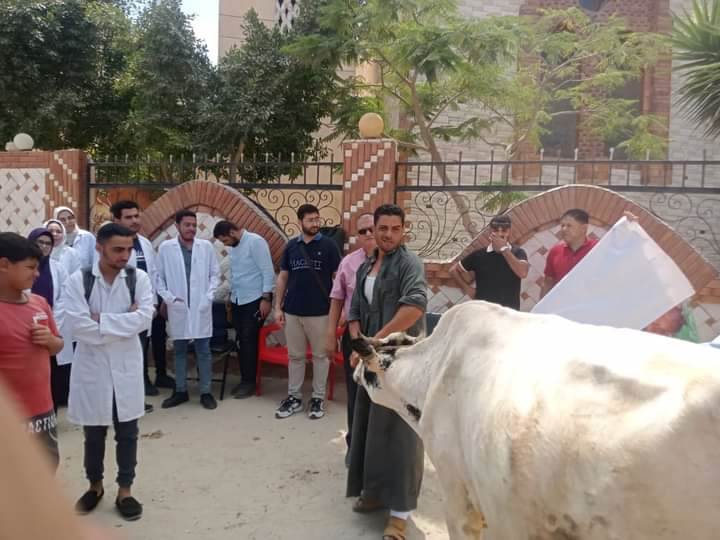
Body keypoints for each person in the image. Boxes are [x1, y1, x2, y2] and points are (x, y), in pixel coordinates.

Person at [346, 204, 427, 540]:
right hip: (371, 361)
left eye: (395, 228)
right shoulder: (366, 266)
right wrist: (358, 343)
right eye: (383, 228)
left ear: (403, 230)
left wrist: (373, 343)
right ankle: (375, 492)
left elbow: (415, 306)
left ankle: (400, 514)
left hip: (401, 361)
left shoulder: (410, 264)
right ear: (374, 230)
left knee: (400, 435)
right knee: (369, 427)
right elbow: (354, 310)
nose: (388, 234)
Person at [63, 223, 154, 521]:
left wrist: (100, 320)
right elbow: (78, 326)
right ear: (99, 247)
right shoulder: (79, 280)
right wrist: (124, 321)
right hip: (93, 368)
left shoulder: (138, 279)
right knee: (93, 433)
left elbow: (144, 318)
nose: (124, 256)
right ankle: (95, 486)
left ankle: (125, 490)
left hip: (126, 368)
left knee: (128, 433)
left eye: (128, 249)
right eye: (117, 249)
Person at [0, 233, 64, 469]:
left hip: (43, 414)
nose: (36, 274)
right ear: (4, 265)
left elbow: (58, 346)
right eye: (30, 267)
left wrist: (50, 340)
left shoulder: (39, 304)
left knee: (46, 471)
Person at [273, 204, 342, 420]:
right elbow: (283, 277)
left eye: (317, 219)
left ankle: (318, 398)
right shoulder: (291, 246)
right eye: (310, 220)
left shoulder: (329, 246)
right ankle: (294, 397)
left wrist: (338, 311)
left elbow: (337, 280)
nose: (315, 223)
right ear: (300, 222)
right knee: (295, 356)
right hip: (292, 312)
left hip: (320, 313)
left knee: (321, 357)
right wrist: (278, 307)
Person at [157, 209, 220, 410]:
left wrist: (208, 296)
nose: (191, 228)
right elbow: (158, 277)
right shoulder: (166, 248)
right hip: (179, 306)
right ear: (177, 226)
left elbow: (215, 274)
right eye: (187, 225)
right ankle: (180, 391)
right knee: (180, 350)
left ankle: (206, 392)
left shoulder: (205, 247)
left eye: (194, 225)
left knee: (203, 350)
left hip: (200, 306)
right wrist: (169, 298)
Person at [110, 200, 175, 397]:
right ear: (116, 220)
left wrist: (156, 301)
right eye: (128, 217)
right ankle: (142, 380)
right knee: (135, 346)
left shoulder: (144, 243)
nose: (134, 220)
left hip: (149, 303)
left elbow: (152, 273)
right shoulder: (112, 246)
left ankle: (160, 375)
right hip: (128, 306)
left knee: (155, 339)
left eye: (137, 216)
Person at [326, 213, 375, 455]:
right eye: (362, 231)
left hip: (383, 337)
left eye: (372, 229)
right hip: (353, 336)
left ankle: (376, 449)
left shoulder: (396, 262)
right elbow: (337, 299)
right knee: (355, 392)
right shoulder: (349, 262)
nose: (368, 234)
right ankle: (354, 446)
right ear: (357, 236)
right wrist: (330, 335)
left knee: (381, 393)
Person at [213, 220, 275, 399]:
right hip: (237, 300)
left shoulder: (256, 242)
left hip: (254, 300)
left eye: (225, 240)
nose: (225, 244)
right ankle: (244, 379)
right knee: (241, 340)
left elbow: (267, 271)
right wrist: (230, 298)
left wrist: (266, 299)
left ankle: (249, 382)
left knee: (249, 340)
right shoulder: (235, 247)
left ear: (232, 232)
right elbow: (237, 274)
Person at [28, 228, 72, 410]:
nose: (44, 247)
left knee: (53, 372)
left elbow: (65, 296)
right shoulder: (22, 267)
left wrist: (51, 320)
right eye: (40, 242)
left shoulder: (58, 268)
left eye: (48, 243)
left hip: (54, 325)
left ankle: (51, 411)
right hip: (27, 326)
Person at [449, 214, 529, 310]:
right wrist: (467, 289)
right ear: (490, 232)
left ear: (509, 231)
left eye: (504, 230)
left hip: (509, 314)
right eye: (496, 230)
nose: (500, 234)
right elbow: (453, 270)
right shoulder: (479, 255)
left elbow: (523, 273)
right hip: (484, 312)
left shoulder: (518, 252)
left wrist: (504, 249)